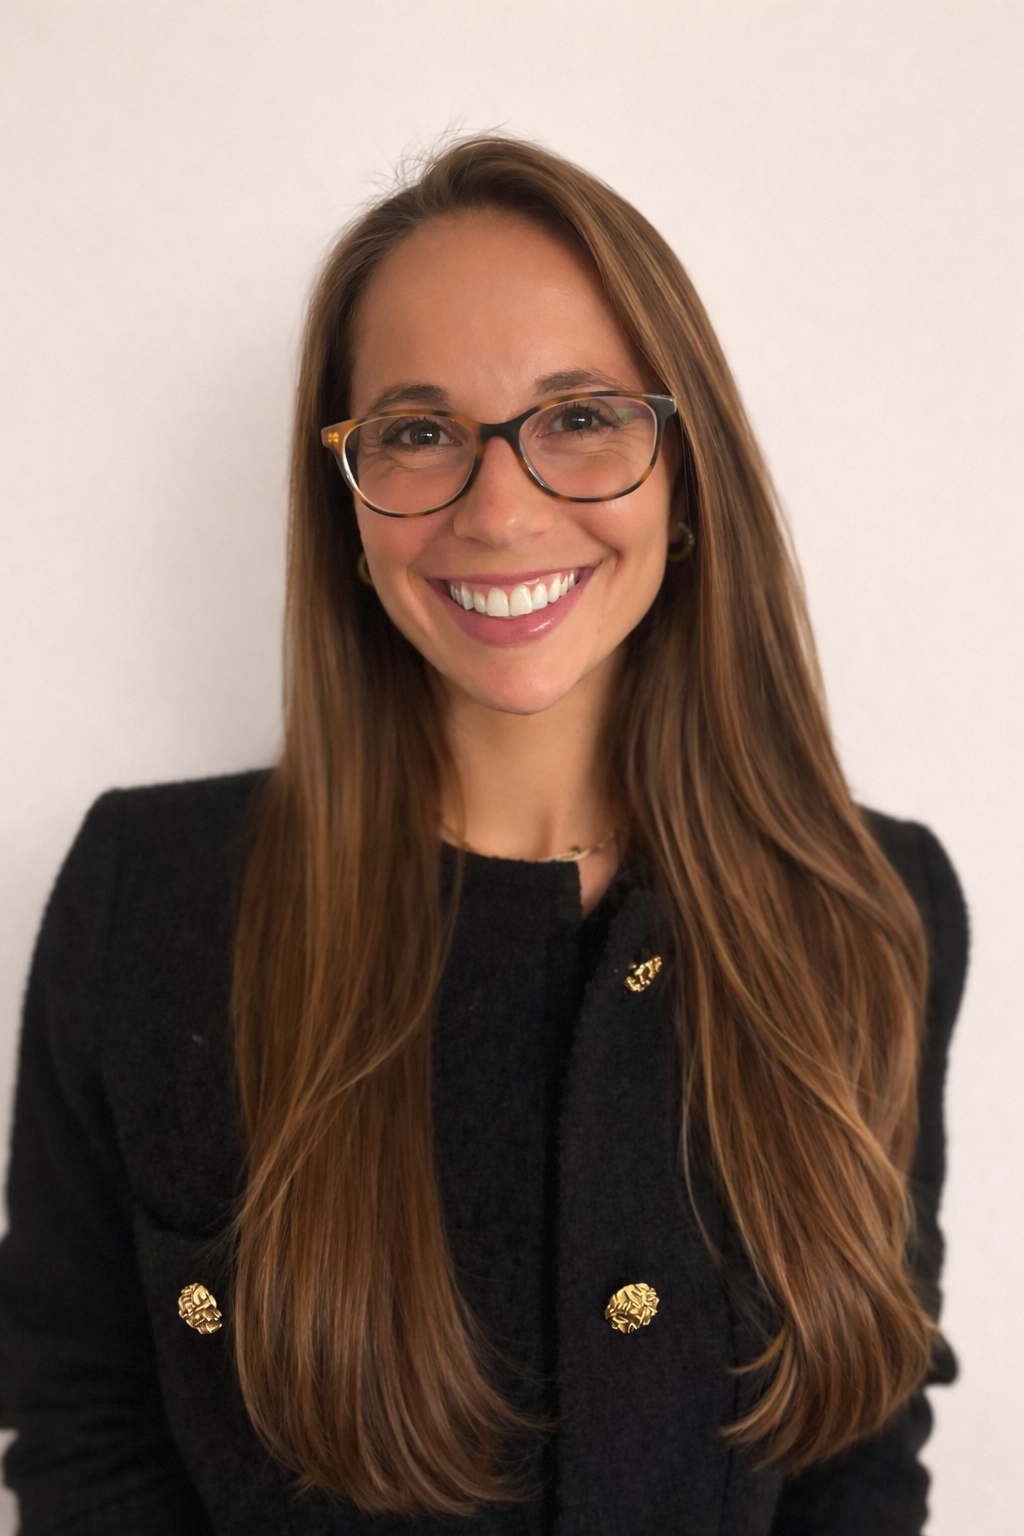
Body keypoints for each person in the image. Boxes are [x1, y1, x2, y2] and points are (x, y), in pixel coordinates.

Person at [0, 136, 968, 1535]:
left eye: (580, 415)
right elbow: (88, 1430)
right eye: (417, 430)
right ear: (346, 500)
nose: (501, 509)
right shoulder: (148, 903)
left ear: (685, 469)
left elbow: (860, 1449)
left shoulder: (873, 907)